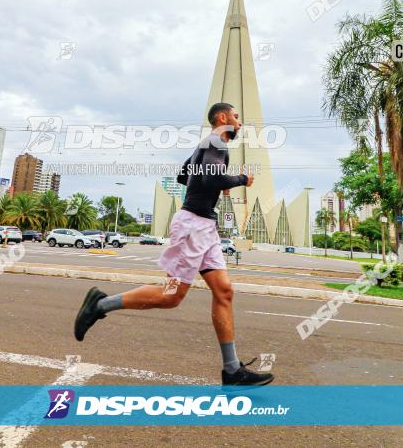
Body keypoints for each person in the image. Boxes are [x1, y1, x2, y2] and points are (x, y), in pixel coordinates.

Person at [73, 103, 274, 386]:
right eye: (236, 117)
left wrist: (219, 182)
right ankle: (101, 305)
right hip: (193, 225)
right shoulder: (218, 141)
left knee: (224, 291)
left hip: (205, 226)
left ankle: (231, 370)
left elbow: (185, 175)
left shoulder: (204, 146)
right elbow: (208, 177)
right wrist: (241, 179)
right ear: (222, 118)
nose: (240, 123)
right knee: (171, 295)